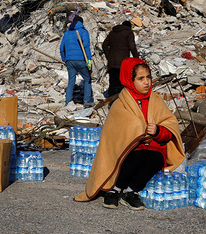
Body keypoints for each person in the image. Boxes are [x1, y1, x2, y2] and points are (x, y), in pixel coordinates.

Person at [74, 58, 185, 210]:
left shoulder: (156, 100)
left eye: (148, 77)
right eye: (140, 79)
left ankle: (132, 191)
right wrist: (138, 130)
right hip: (129, 149)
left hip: (152, 147)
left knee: (157, 158)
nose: (146, 82)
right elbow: (114, 136)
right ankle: (115, 189)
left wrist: (158, 131)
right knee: (135, 156)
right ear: (129, 80)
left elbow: (170, 126)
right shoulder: (121, 104)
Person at [60, 15, 93, 107]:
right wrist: (89, 60)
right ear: (81, 23)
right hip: (81, 60)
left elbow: (61, 48)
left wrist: (65, 60)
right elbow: (86, 46)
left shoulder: (66, 33)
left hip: (69, 60)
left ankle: (68, 102)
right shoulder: (83, 31)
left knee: (71, 81)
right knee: (87, 78)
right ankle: (86, 101)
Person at [102, 21, 139, 97]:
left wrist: (109, 56)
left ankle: (111, 102)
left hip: (112, 62)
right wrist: (137, 58)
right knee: (122, 82)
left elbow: (104, 45)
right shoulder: (129, 33)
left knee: (112, 82)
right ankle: (121, 101)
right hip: (123, 62)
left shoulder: (112, 32)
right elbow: (132, 46)